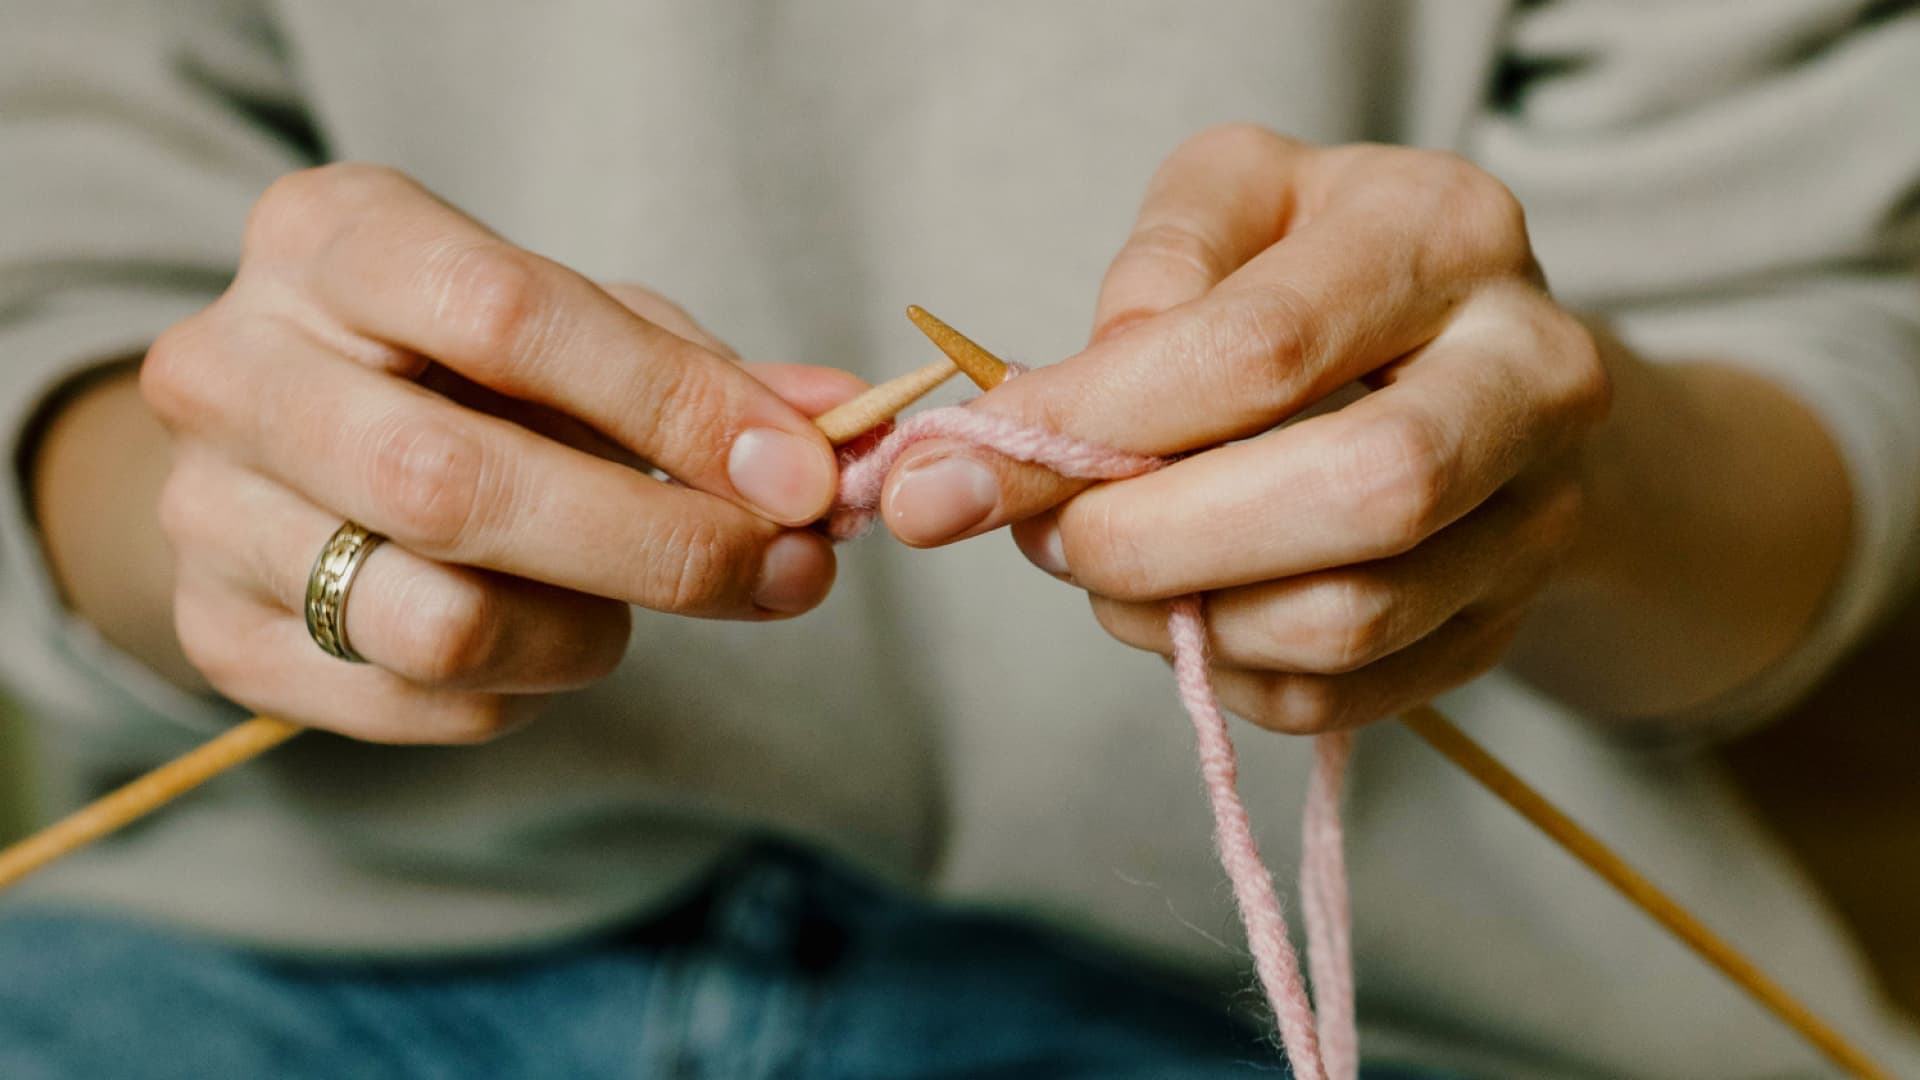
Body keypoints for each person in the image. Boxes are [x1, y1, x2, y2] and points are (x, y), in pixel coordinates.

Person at [2, 2, 1918, 1076]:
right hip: (268, 970)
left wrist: (1527, 486)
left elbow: (1819, 369)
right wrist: (279, 535)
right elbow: (62, 312)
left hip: (1339, 1020)